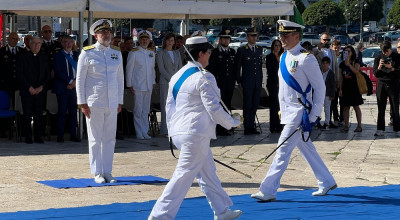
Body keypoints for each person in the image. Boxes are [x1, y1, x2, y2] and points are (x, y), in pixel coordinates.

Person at [148, 36, 242, 220]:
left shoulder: (177, 76)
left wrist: (172, 131)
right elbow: (214, 109)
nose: (209, 56)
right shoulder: (205, 77)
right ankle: (160, 216)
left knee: (207, 173)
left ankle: (221, 210)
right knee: (183, 176)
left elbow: (169, 107)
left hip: (182, 132)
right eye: (208, 52)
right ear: (200, 54)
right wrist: (233, 122)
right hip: (195, 133)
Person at [251, 20, 336, 202]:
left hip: (300, 112)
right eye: (281, 35)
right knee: (306, 148)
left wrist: (314, 114)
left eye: (286, 35)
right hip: (289, 111)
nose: (282, 38)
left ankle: (268, 189)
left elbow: (319, 88)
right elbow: (284, 90)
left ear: (297, 37)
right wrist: (282, 110)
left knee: (282, 149)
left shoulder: (307, 58)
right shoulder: (283, 57)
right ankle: (326, 180)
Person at [76, 19, 124, 184]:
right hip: (94, 102)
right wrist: (82, 103)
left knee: (110, 138)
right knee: (95, 138)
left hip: (112, 103)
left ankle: (108, 171)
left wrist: (119, 101)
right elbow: (80, 80)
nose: (106, 35)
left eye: (108, 32)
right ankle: (97, 172)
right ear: (96, 35)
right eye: (102, 32)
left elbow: (120, 79)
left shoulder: (116, 54)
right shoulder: (87, 53)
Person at [16, 36, 50, 144]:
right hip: (27, 91)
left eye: (38, 43)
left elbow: (47, 75)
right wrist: (29, 87)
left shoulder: (44, 57)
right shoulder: (22, 57)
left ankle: (38, 136)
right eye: (34, 43)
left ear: (41, 44)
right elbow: (20, 74)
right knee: (27, 114)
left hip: (40, 91)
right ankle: (28, 137)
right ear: (29, 44)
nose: (36, 46)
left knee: (38, 114)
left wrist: (41, 87)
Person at [126, 30, 156, 139]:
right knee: (138, 110)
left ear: (149, 40)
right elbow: (129, 70)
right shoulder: (134, 53)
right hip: (137, 85)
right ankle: (139, 132)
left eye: (146, 39)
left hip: (148, 86)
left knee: (146, 110)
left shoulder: (151, 53)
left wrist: (153, 82)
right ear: (139, 40)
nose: (144, 41)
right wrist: (129, 84)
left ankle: (145, 131)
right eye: (142, 39)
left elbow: (152, 70)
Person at [206, 30, 236, 136]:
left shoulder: (232, 52)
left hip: (230, 83)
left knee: (228, 105)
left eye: (227, 38)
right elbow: (212, 68)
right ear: (220, 40)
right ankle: (220, 128)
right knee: (220, 106)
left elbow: (235, 68)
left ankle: (228, 126)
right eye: (224, 38)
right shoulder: (215, 52)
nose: (226, 40)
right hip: (219, 83)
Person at [235, 27, 263, 135]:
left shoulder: (259, 49)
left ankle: (252, 125)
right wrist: (239, 81)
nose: (254, 38)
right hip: (247, 82)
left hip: (257, 82)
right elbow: (238, 67)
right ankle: (247, 126)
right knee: (247, 105)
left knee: (255, 104)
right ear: (247, 37)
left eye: (255, 36)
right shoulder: (242, 50)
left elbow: (259, 67)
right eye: (252, 36)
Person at [52, 36, 81, 143]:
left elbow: (82, 71)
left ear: (73, 43)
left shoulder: (78, 55)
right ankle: (60, 135)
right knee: (62, 112)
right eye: (66, 42)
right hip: (63, 88)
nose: (68, 44)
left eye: (70, 42)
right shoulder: (58, 55)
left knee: (73, 112)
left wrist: (74, 83)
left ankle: (73, 134)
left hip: (74, 89)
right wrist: (69, 82)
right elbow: (58, 72)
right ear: (62, 44)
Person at [156, 33, 182, 136]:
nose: (170, 42)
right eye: (168, 40)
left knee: (175, 106)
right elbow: (161, 69)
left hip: (176, 83)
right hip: (165, 82)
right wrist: (171, 79)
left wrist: (177, 80)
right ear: (165, 41)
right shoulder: (161, 53)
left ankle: (174, 128)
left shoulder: (177, 53)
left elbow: (180, 68)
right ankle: (164, 129)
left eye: (172, 40)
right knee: (165, 105)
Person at [373, 41, 400, 136]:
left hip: (394, 84)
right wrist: (380, 66)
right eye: (383, 52)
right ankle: (380, 129)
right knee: (381, 107)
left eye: (387, 51)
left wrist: (392, 68)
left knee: (395, 107)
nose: (385, 54)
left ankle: (397, 128)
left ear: (390, 48)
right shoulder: (378, 58)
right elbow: (375, 73)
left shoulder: (397, 57)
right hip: (382, 84)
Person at [338, 46, 363, 133]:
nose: (347, 53)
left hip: (354, 87)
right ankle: (346, 125)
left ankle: (359, 126)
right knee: (345, 107)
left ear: (352, 53)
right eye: (345, 51)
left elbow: (356, 71)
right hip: (345, 87)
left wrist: (349, 64)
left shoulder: (356, 61)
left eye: (349, 51)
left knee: (356, 106)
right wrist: (340, 88)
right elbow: (341, 77)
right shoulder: (341, 64)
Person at [265, 39, 284, 133]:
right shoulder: (269, 57)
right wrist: (277, 81)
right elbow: (271, 72)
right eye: (276, 45)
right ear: (273, 46)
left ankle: (280, 125)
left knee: (281, 105)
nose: (277, 47)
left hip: (282, 85)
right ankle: (273, 126)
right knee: (273, 105)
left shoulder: (283, 57)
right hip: (273, 84)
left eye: (279, 46)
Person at [319, 56, 336, 130]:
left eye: (326, 63)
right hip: (320, 93)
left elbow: (333, 84)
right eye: (323, 63)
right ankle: (318, 122)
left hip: (327, 93)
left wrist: (332, 94)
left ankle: (327, 122)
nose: (325, 65)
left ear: (329, 64)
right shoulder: (320, 72)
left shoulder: (331, 73)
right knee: (319, 108)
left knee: (327, 108)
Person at [329, 40, 343, 128]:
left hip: (341, 81)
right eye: (335, 47)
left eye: (338, 47)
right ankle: (335, 119)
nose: (336, 49)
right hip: (333, 81)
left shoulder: (342, 57)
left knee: (342, 101)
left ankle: (342, 118)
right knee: (333, 101)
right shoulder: (330, 56)